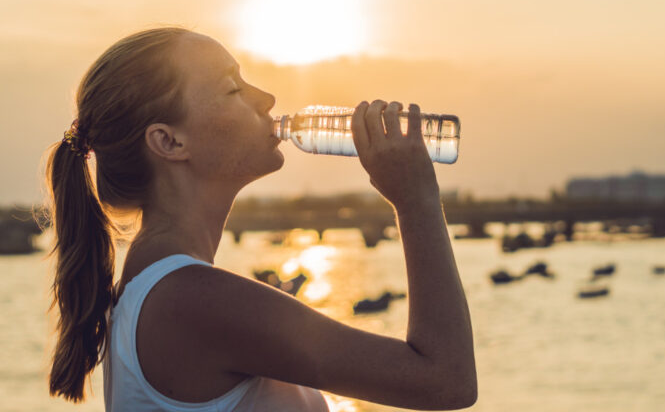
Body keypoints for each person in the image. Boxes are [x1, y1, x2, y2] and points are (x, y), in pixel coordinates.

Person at [41, 26, 476, 411]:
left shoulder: (159, 289)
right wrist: (416, 198)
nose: (266, 99)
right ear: (169, 142)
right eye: (233, 88)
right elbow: (444, 380)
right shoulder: (192, 301)